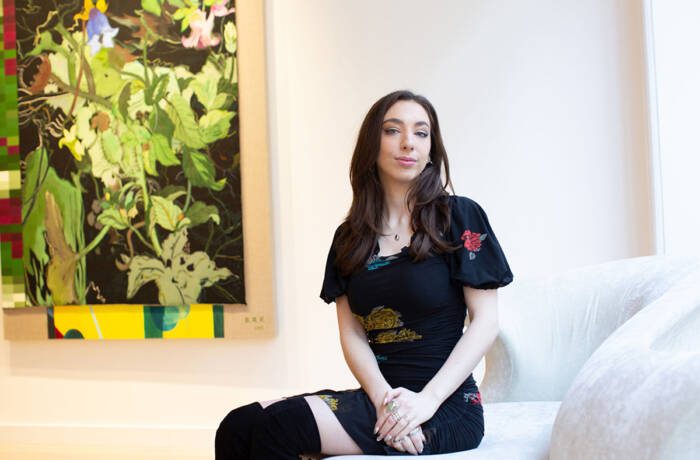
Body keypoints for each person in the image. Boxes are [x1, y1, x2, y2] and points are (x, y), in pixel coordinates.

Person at [215, 90, 514, 458]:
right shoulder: (350, 237)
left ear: (431, 148)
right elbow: (352, 332)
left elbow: (485, 322)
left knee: (282, 427)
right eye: (393, 130)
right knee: (238, 426)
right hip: (380, 397)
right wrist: (384, 402)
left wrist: (423, 404)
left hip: (445, 406)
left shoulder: (458, 217)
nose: (409, 143)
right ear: (372, 142)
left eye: (422, 133)